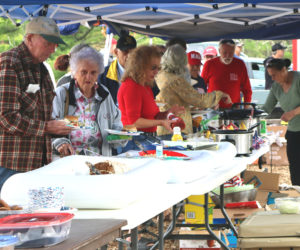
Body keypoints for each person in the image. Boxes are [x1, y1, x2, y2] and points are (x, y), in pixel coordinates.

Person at [0, 16, 72, 191]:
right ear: (30, 38)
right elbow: (6, 117)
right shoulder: (9, 63)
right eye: (48, 42)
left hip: (38, 163)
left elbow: (45, 115)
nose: (53, 49)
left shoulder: (42, 70)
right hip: (11, 164)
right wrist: (48, 127)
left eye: (55, 44)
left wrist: (60, 136)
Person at [52, 46, 123, 157]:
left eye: (93, 72)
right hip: (69, 163)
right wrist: (60, 143)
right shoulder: (61, 94)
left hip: (100, 163)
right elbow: (50, 126)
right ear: (74, 73)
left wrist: (120, 136)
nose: (88, 77)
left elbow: (116, 124)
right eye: (84, 72)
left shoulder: (104, 94)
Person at [117, 45, 184, 150]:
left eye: (158, 68)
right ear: (139, 65)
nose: (156, 71)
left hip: (146, 139)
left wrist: (167, 113)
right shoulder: (131, 86)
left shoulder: (144, 85)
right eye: (153, 67)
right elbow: (134, 122)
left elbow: (151, 116)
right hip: (134, 141)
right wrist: (161, 122)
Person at [156, 44, 232, 136]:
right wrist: (220, 94)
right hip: (176, 129)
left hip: (164, 127)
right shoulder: (176, 80)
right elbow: (199, 99)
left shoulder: (160, 75)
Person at [263, 58, 300, 185]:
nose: (272, 78)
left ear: (284, 70)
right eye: (270, 76)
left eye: (274, 75)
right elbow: (266, 108)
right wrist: (250, 114)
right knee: (295, 167)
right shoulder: (276, 87)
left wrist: (293, 113)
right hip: (293, 131)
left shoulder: (298, 79)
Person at [201, 39, 252, 109]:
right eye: (224, 53)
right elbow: (201, 87)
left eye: (231, 53)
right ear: (219, 51)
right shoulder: (209, 64)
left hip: (234, 109)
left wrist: (246, 107)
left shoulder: (240, 64)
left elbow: (247, 89)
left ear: (234, 51)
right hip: (213, 108)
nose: (227, 56)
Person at [98, 32, 137, 104]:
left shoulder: (143, 73)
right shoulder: (104, 75)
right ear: (116, 52)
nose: (129, 56)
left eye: (133, 52)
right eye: (125, 52)